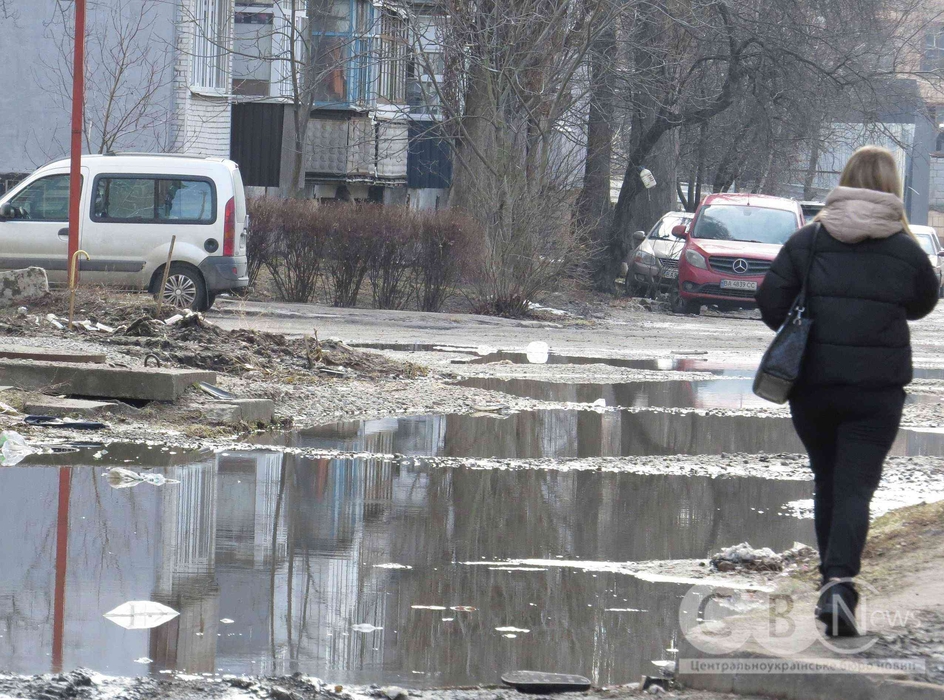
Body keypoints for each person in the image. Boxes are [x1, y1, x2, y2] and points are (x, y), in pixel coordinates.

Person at [756, 146, 939, 637]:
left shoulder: (808, 241)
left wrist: (809, 323)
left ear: (845, 179)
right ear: (893, 187)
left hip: (813, 386)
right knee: (856, 485)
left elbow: (770, 300)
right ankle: (840, 584)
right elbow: (924, 302)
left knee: (827, 480)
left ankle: (828, 581)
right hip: (876, 391)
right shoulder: (907, 250)